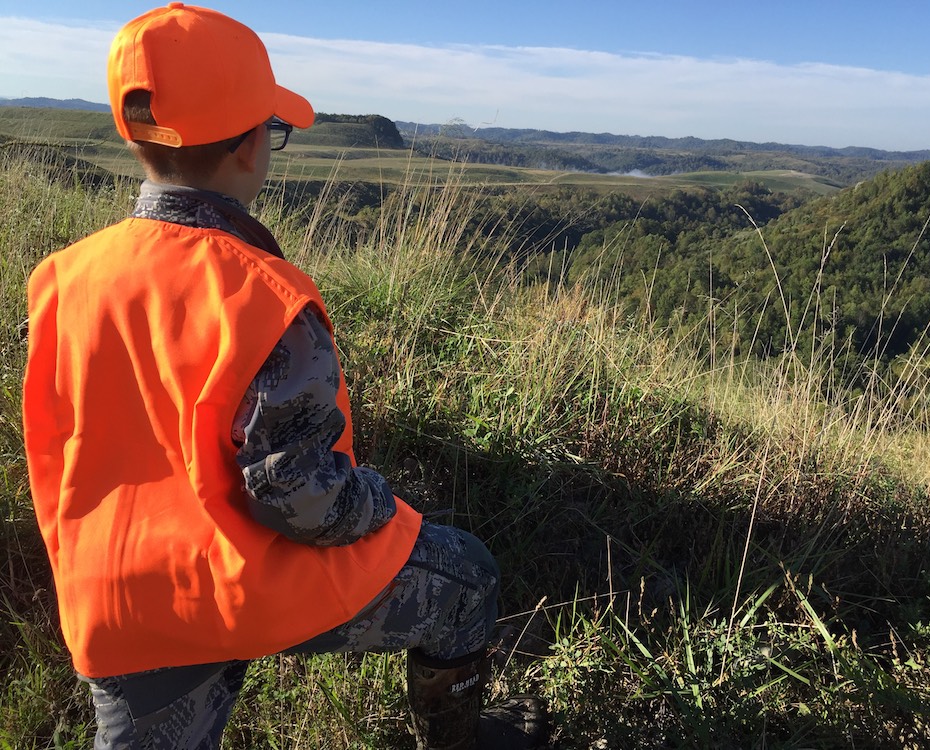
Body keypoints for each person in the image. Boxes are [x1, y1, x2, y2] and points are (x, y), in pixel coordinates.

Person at [21, 4, 547, 748]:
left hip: (115, 600)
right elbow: (298, 498)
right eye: (272, 129)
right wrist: (378, 503)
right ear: (247, 149)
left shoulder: (60, 279)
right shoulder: (262, 295)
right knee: (467, 577)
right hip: (239, 586)